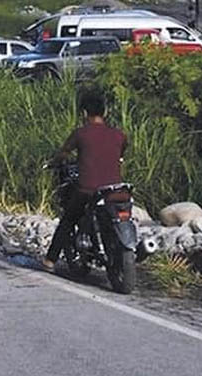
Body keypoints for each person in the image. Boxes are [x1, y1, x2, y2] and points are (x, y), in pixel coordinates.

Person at [43, 92, 128, 271]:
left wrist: (53, 163)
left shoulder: (80, 134)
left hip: (88, 190)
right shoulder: (119, 135)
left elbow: (63, 153)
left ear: (83, 113)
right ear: (104, 112)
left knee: (68, 219)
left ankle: (50, 260)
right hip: (116, 191)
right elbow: (120, 156)